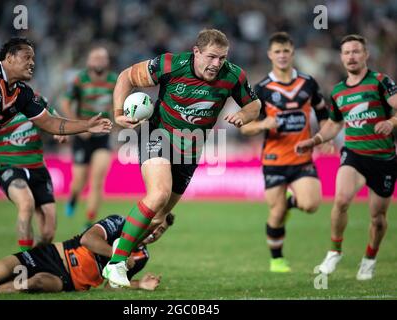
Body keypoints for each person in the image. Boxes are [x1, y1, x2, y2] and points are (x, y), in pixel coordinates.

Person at [103, 28, 261, 287]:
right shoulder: (170, 64)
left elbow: (254, 105)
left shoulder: (233, 75)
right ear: (196, 52)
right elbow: (126, 76)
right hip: (158, 134)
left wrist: (244, 116)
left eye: (222, 58)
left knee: (157, 218)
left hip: (191, 150)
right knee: (159, 194)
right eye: (211, 57)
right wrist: (118, 112)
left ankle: (123, 243)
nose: (216, 64)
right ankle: (116, 263)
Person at [0, 37, 112, 267]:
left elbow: (51, 123)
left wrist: (87, 125)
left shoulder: (22, 94)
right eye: (27, 57)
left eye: (34, 58)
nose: (32, 62)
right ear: (9, 58)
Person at [296, 34, 397, 280]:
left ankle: (369, 258)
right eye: (347, 53)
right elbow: (334, 124)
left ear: (365, 55)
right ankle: (334, 251)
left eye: (356, 51)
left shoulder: (380, 82)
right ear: (341, 58)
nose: (351, 56)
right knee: (341, 200)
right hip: (353, 153)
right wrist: (316, 139)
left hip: (383, 158)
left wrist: (392, 121)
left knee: (378, 218)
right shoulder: (339, 91)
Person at [240, 32, 329, 273]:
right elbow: (245, 126)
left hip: (302, 158)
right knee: (276, 212)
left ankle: (292, 202)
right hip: (274, 159)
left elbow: (325, 117)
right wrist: (262, 125)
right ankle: (277, 259)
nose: (282, 55)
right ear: (270, 55)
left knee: (311, 205)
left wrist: (324, 138)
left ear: (292, 53)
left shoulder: (308, 83)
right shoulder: (261, 89)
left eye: (286, 51)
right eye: (277, 51)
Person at [0, 213, 173, 295]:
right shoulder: (118, 222)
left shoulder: (142, 257)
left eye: (162, 231)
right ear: (146, 221)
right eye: (155, 226)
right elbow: (88, 239)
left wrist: (139, 285)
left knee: (35, 282)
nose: (156, 233)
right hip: (51, 255)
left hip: (67, 281)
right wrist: (120, 256)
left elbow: (110, 285)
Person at [0, 94, 67, 252]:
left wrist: (60, 130)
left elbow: (53, 114)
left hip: (38, 169)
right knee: (26, 204)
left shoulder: (35, 99)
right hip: (10, 168)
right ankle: (26, 259)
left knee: (48, 232)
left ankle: (36, 258)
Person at [61, 47, 116, 228]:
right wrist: (79, 126)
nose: (99, 61)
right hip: (83, 137)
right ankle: (73, 197)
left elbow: (120, 102)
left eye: (102, 58)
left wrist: (118, 120)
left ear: (107, 62)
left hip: (102, 136)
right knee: (79, 181)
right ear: (89, 62)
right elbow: (65, 102)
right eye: (95, 58)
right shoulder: (80, 79)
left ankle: (89, 221)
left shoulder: (114, 80)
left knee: (98, 179)